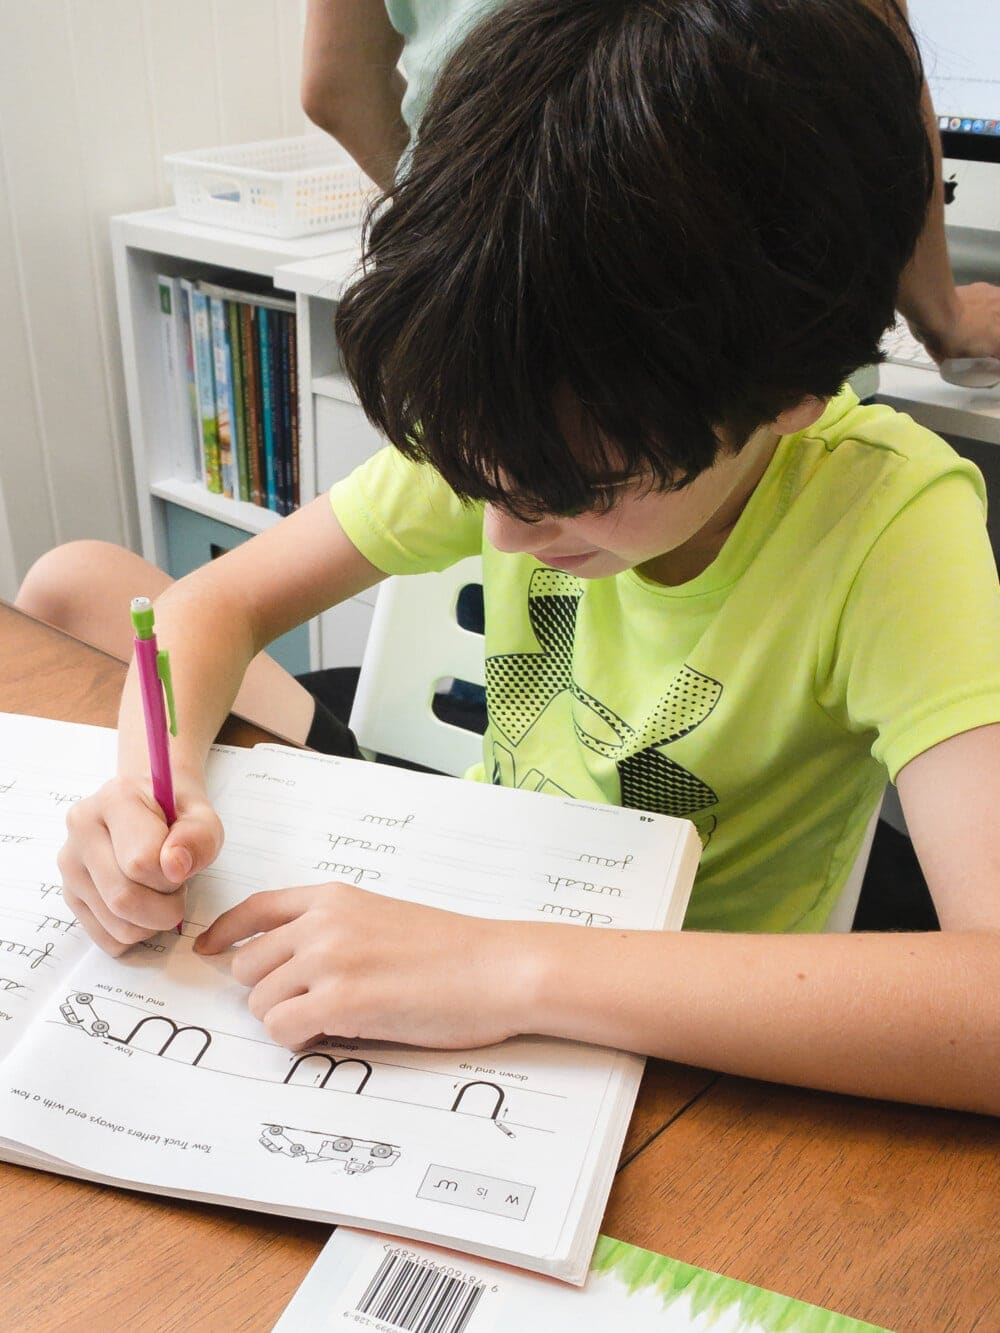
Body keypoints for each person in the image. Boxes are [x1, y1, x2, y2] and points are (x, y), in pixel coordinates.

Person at [16, 0, 1000, 1117]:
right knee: (79, 583)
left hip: (662, 1044)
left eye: (572, 496)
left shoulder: (887, 524)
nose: (496, 538)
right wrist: (155, 786)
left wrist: (504, 966)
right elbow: (211, 604)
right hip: (465, 868)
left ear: (787, 399)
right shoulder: (530, 384)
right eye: (482, 482)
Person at [301, 0, 1000, 369]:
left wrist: (474, 233)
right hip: (743, 322)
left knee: (551, 616)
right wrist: (939, 310)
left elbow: (336, 89)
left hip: (488, 327)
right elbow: (875, 62)